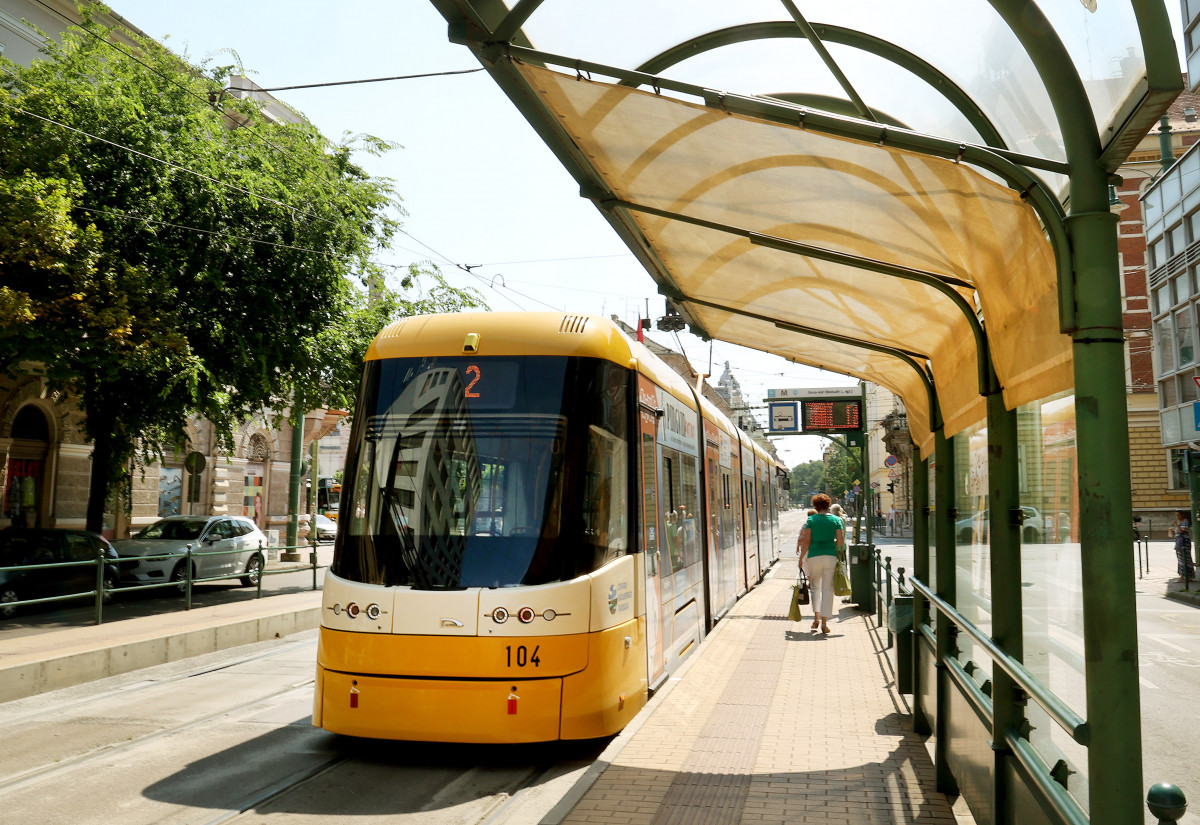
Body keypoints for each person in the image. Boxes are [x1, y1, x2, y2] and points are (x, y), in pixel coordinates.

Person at [797, 493, 844, 634]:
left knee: (815, 588)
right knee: (827, 590)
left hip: (814, 556)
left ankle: (816, 618)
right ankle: (824, 623)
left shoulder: (811, 519)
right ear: (828, 505)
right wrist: (832, 543)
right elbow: (840, 542)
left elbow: (807, 541)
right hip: (830, 556)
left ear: (816, 506)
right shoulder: (836, 520)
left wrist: (801, 558)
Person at [1172, 509, 1195, 581]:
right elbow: (1174, 534)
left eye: (1178, 515)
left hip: (1185, 542)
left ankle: (1188, 576)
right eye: (1176, 515)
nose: (1177, 516)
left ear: (1182, 515)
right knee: (1180, 559)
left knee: (1186, 558)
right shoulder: (1178, 522)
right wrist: (1171, 531)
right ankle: (1182, 575)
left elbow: (1182, 531)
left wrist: (1176, 525)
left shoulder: (1186, 521)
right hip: (1178, 542)